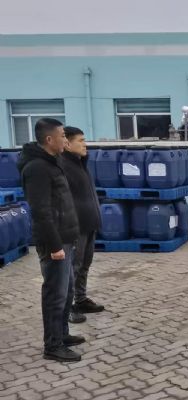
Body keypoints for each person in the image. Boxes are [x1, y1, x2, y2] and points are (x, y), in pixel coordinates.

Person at [17, 118, 85, 362]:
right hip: (54, 243)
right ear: (49, 139)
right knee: (55, 295)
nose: (65, 140)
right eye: (62, 136)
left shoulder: (53, 163)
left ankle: (63, 334)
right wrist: (55, 246)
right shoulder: (37, 168)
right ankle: (53, 345)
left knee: (66, 293)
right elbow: (41, 211)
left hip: (66, 238)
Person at [60, 126, 104, 324]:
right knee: (73, 267)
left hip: (89, 223)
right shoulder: (63, 167)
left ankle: (81, 299)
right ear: (67, 144)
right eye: (81, 140)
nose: (85, 144)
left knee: (85, 264)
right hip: (76, 226)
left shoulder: (80, 164)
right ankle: (67, 307)